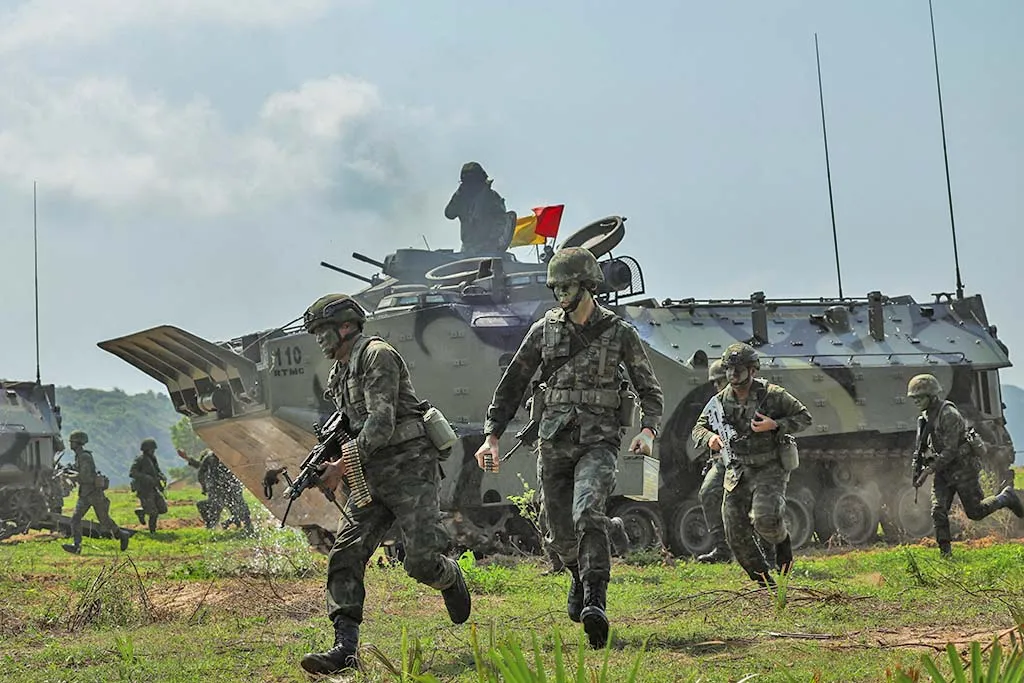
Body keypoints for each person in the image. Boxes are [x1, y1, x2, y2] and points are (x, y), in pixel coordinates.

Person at [475, 246, 664, 649]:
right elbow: (513, 383)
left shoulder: (619, 332)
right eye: (555, 287)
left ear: (588, 285)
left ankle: (596, 598)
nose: (560, 293)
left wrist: (648, 429)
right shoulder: (544, 330)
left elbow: (649, 388)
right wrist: (492, 434)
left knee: (586, 511)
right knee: (557, 529)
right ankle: (578, 573)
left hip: (599, 441)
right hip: (553, 439)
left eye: (567, 286)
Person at [298, 293, 471, 676]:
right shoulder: (338, 374)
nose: (319, 340)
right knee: (345, 553)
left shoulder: (377, 355)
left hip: (410, 469)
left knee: (420, 563)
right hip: (369, 476)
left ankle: (449, 575)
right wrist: (325, 459)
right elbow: (348, 425)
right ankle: (345, 647)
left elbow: (381, 421)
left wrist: (341, 465)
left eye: (322, 331)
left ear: (345, 326)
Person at [692, 343, 812, 586]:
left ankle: (782, 542)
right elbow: (698, 428)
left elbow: (804, 417)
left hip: (769, 467)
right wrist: (710, 438)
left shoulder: (773, 395)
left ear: (753, 370)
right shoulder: (719, 402)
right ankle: (763, 581)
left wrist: (775, 424)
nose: (733, 375)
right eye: (729, 369)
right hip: (737, 470)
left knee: (765, 518)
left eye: (739, 369)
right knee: (734, 532)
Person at [907, 373, 1023, 557]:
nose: (916, 401)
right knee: (938, 510)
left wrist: (929, 470)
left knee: (975, 512)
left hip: (963, 467)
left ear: (931, 396)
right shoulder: (925, 418)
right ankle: (946, 555)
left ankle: (1006, 497)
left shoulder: (948, 415)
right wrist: (918, 466)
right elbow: (920, 447)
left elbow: (951, 450)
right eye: (914, 398)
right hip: (944, 471)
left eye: (919, 397)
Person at [61, 430, 130, 554]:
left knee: (104, 520)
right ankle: (77, 546)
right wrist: (69, 469)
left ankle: (122, 535)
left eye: (72, 442)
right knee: (75, 519)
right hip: (85, 494)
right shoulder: (80, 456)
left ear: (78, 442)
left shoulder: (85, 456)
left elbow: (86, 477)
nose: (71, 444)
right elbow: (79, 470)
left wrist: (71, 477)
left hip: (94, 494)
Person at [444, 161, 515, 255]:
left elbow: (501, 221)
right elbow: (449, 214)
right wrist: (459, 194)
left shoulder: (491, 197)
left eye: (472, 181)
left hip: (488, 248)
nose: (470, 185)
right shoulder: (462, 199)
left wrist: (491, 242)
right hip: (468, 248)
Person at [177, 448, 254, 534]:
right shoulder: (210, 458)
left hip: (229, 487)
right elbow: (201, 469)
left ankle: (242, 525)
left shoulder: (229, 455)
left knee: (239, 508)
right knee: (215, 507)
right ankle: (215, 526)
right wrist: (205, 487)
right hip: (219, 489)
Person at [129, 438, 167, 534]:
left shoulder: (153, 459)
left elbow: (157, 471)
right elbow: (132, 473)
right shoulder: (140, 460)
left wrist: (161, 477)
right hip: (144, 490)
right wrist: (146, 477)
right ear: (146, 450)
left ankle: (141, 511)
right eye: (151, 449)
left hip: (153, 488)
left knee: (162, 508)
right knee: (153, 513)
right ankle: (152, 532)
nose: (153, 451)